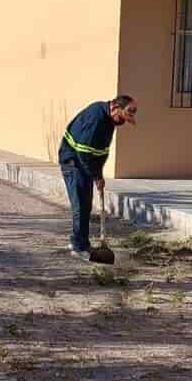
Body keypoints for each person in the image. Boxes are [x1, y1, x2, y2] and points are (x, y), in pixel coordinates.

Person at [57, 95, 136, 259]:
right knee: (80, 204)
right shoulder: (96, 118)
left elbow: (101, 152)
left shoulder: (110, 121)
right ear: (114, 107)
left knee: (85, 205)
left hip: (84, 163)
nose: (122, 122)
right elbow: (83, 152)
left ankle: (80, 242)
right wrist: (96, 176)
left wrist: (99, 175)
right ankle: (78, 246)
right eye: (122, 117)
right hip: (73, 161)